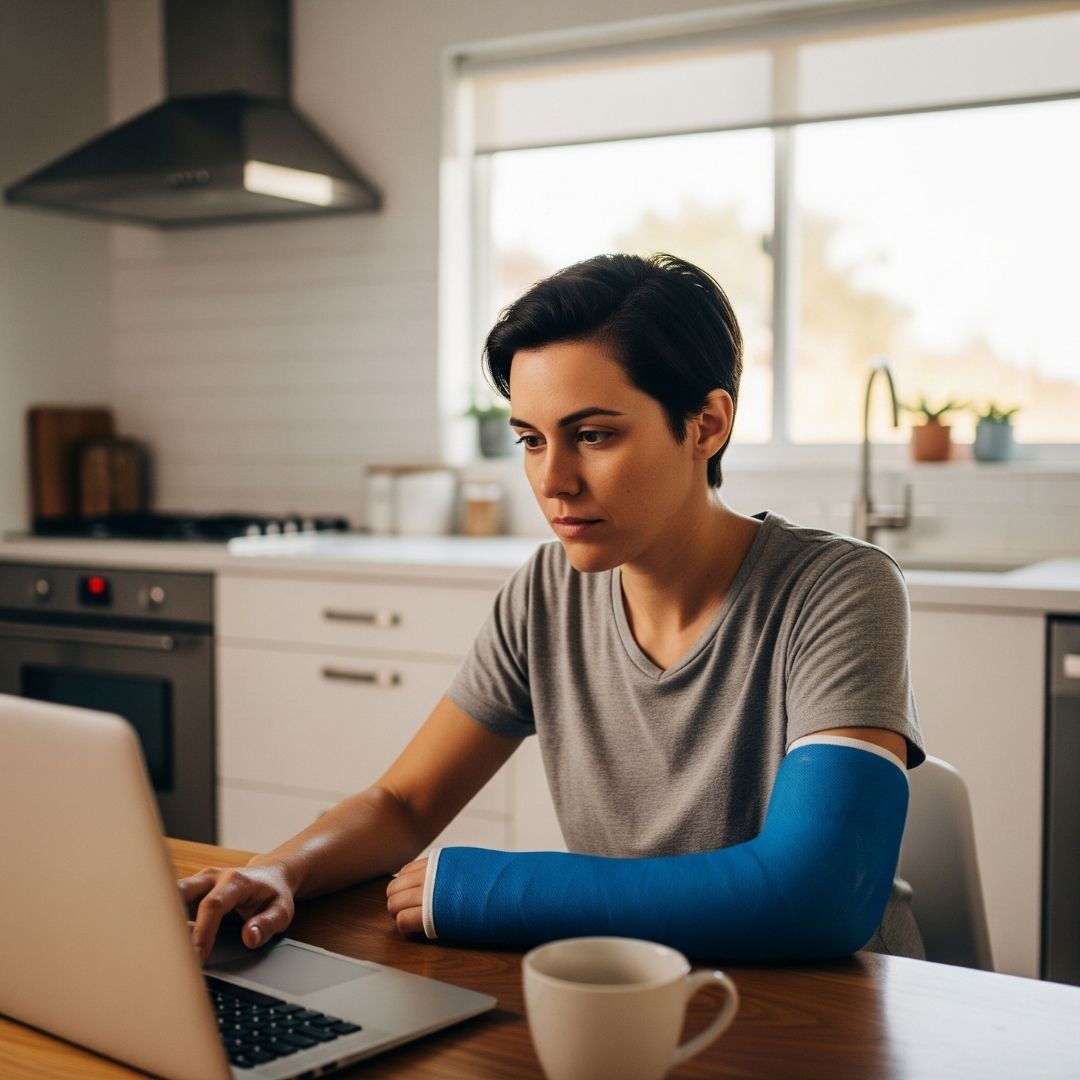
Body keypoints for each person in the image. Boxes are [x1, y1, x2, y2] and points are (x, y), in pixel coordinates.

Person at [182, 253, 925, 964]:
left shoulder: (838, 589)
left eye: (593, 435)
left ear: (707, 424)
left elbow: (821, 895)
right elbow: (405, 804)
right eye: (531, 441)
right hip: (625, 989)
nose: (553, 480)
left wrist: (493, 892)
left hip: (825, 1009)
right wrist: (280, 870)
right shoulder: (547, 592)